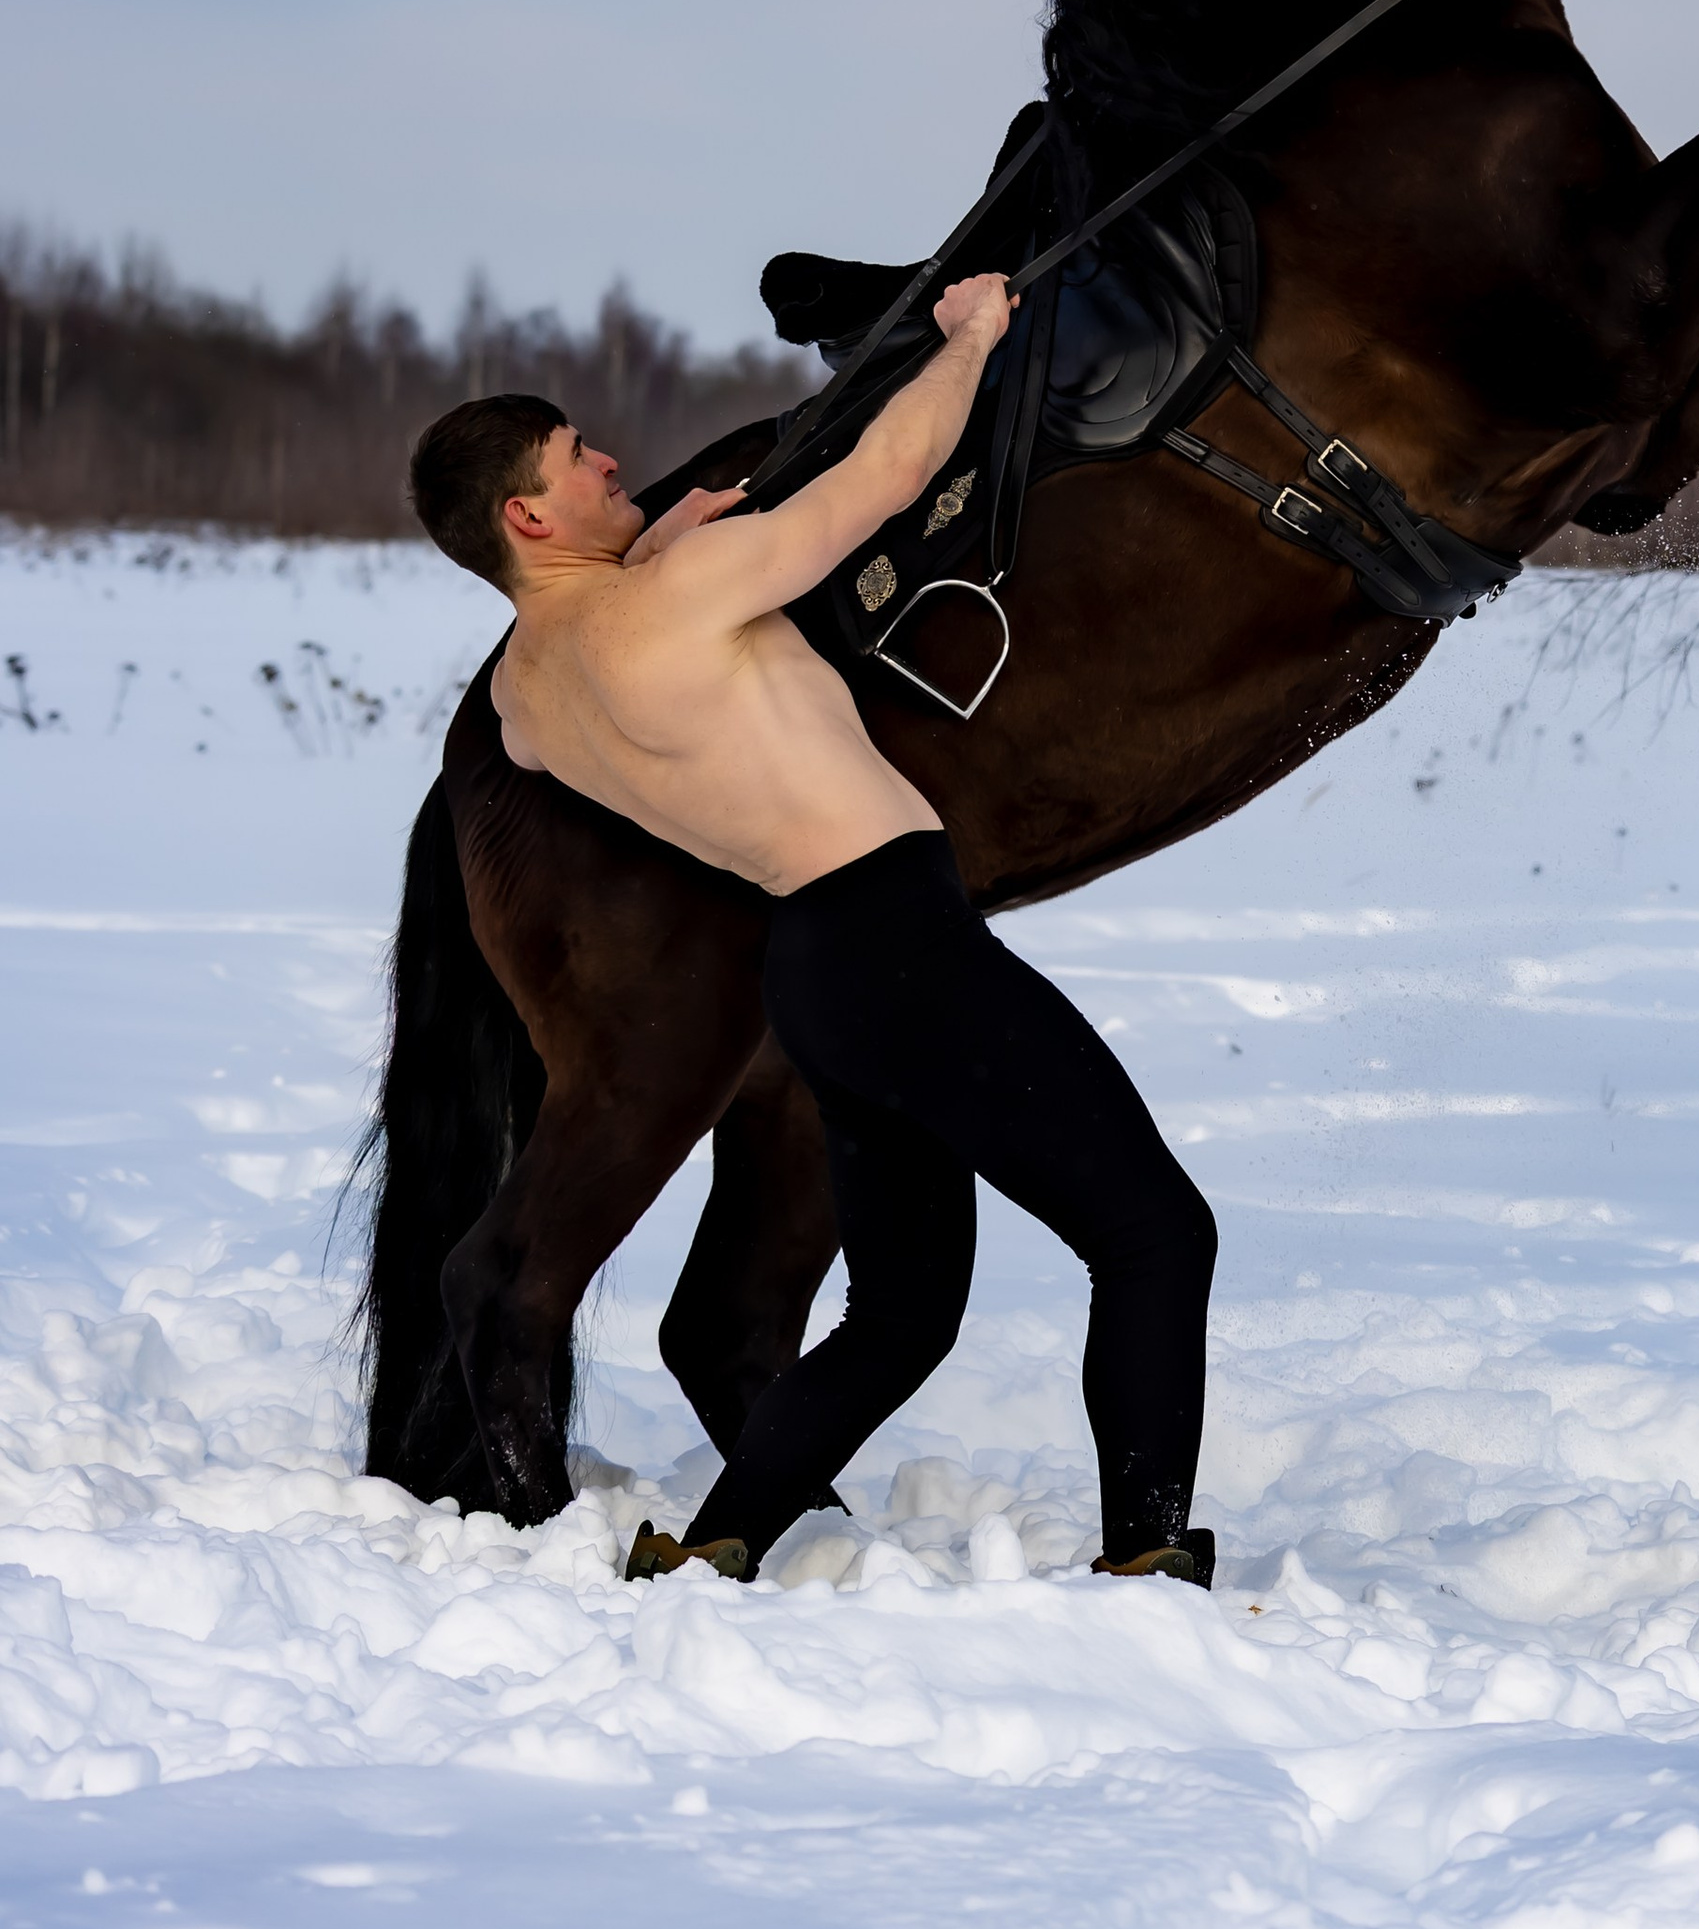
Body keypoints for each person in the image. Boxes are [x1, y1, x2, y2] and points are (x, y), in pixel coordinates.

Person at [405, 277, 1218, 1591]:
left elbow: (610, 630)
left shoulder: (521, 701)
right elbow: (892, 472)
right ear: (526, 511)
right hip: (901, 939)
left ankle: (717, 1539)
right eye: (579, 458)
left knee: (901, 1314)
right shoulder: (678, 597)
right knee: (1155, 1234)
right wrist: (966, 340)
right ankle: (1152, 1554)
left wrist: (657, 539)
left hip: (815, 978)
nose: (613, 458)